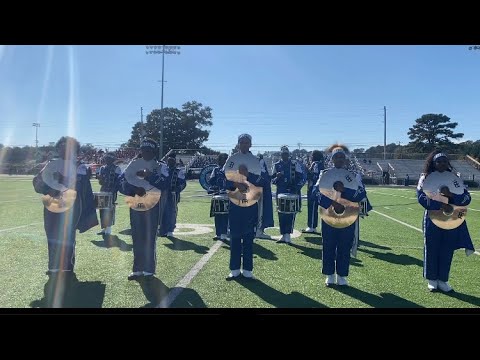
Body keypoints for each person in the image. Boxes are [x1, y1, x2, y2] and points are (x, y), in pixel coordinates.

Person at [32, 136, 98, 279]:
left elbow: (80, 187)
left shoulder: (80, 167)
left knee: (68, 236)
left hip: (71, 207)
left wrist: (63, 181)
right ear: (58, 149)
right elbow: (37, 184)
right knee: (51, 234)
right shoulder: (50, 165)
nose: (65, 149)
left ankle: (67, 267)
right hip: (52, 205)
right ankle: (54, 267)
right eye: (62, 146)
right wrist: (48, 189)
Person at [417, 151, 474, 292]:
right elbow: (421, 198)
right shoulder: (425, 177)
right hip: (432, 217)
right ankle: (432, 279)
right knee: (432, 247)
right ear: (433, 163)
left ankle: (443, 279)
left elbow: (466, 198)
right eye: (438, 161)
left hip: (451, 218)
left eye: (444, 161)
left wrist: (451, 196)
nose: (441, 164)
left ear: (447, 163)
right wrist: (441, 203)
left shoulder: (455, 177)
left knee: (447, 248)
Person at [312, 144, 366, 286]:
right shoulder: (324, 174)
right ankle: (329, 274)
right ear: (332, 159)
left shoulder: (353, 175)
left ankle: (342, 275)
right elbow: (315, 192)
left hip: (348, 214)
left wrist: (345, 191)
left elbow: (361, 193)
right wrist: (332, 202)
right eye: (337, 157)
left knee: (344, 245)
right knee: (329, 244)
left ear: (345, 159)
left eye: (342, 157)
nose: (340, 159)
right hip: (329, 213)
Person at [118, 138, 168, 281]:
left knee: (149, 237)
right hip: (135, 203)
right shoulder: (132, 165)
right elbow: (121, 183)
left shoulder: (160, 166)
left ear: (154, 152)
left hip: (152, 205)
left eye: (149, 151)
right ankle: (137, 269)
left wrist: (149, 175)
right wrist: (133, 189)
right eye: (143, 150)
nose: (145, 153)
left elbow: (165, 184)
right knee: (136, 236)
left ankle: (149, 269)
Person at [224, 133, 265, 280]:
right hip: (235, 200)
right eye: (242, 142)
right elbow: (224, 178)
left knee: (248, 236)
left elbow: (263, 180)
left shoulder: (256, 160)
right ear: (238, 143)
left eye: (247, 142)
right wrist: (236, 183)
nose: (244, 144)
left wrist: (248, 177)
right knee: (235, 236)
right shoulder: (232, 159)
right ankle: (234, 269)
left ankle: (248, 270)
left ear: (251, 144)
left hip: (251, 201)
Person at [271, 145, 304, 244]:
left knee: (291, 213)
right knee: (281, 213)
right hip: (280, 192)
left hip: (291, 192)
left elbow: (302, 177)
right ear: (280, 154)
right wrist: (277, 177)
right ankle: (283, 234)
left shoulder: (294, 164)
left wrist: (296, 187)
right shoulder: (276, 165)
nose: (285, 155)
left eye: (286, 154)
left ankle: (288, 234)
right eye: (283, 154)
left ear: (288, 154)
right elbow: (272, 180)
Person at [158, 152, 187, 237]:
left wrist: (177, 189)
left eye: (172, 161)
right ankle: (162, 229)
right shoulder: (163, 170)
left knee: (171, 212)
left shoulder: (178, 171)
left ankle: (170, 229)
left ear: (175, 162)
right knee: (162, 211)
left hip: (173, 195)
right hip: (163, 194)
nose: (170, 162)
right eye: (169, 160)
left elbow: (183, 183)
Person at [97, 152, 122, 242]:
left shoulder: (117, 168)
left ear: (112, 159)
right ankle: (103, 228)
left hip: (111, 192)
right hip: (103, 190)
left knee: (109, 210)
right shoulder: (102, 168)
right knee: (102, 210)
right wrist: (100, 179)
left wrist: (113, 191)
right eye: (106, 158)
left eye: (108, 158)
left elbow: (118, 181)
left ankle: (108, 229)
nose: (106, 160)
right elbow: (100, 182)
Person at [207, 153, 229, 240]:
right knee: (217, 215)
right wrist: (212, 188)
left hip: (228, 195)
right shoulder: (216, 170)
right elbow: (211, 181)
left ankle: (224, 232)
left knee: (225, 215)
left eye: (224, 159)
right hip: (218, 195)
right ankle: (218, 233)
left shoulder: (231, 170)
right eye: (221, 159)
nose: (222, 161)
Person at [304, 150, 324, 233]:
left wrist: (306, 171)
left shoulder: (316, 164)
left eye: (311, 155)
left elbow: (315, 176)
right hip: (315, 188)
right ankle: (312, 226)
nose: (310, 157)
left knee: (312, 207)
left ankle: (311, 226)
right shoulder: (318, 164)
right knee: (313, 207)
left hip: (314, 189)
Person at [256, 153, 274, 239]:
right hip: (260, 190)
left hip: (260, 189)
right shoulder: (259, 164)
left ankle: (258, 229)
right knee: (260, 210)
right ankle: (258, 230)